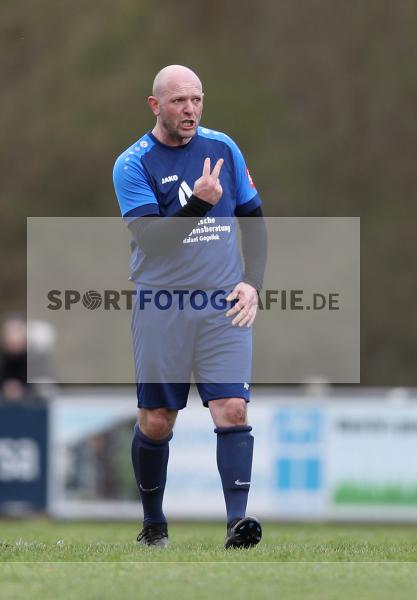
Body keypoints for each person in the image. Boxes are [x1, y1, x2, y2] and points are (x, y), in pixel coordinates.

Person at [112, 65, 267, 549]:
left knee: (233, 409)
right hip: (162, 304)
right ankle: (153, 524)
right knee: (157, 420)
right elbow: (154, 243)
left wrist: (252, 283)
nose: (190, 109)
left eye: (197, 99)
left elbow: (254, 220)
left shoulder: (224, 148)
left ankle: (237, 525)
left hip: (223, 305)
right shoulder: (132, 164)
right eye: (179, 100)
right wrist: (199, 203)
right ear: (155, 105)